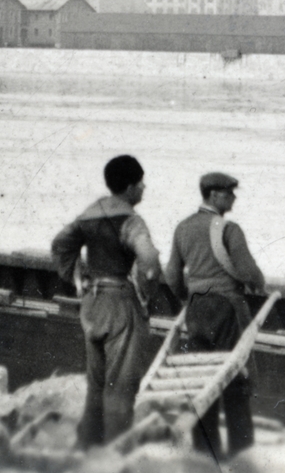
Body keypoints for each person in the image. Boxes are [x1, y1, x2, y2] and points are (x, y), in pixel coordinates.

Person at [51, 154, 164, 448]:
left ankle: (87, 451)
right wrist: (146, 293)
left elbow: (60, 245)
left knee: (96, 387)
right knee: (120, 390)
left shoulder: (89, 215)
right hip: (120, 306)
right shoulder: (130, 220)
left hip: (92, 305)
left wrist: (77, 277)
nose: (144, 188)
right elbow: (149, 261)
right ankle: (116, 457)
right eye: (141, 183)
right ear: (130, 187)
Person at [164, 171, 267, 459]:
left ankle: (204, 454)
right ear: (213, 195)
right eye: (229, 193)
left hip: (196, 310)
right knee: (235, 378)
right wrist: (259, 284)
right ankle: (241, 454)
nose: (233, 198)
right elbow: (248, 272)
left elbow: (171, 275)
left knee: (203, 379)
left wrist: (188, 297)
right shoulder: (229, 230)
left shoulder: (183, 228)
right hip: (227, 309)